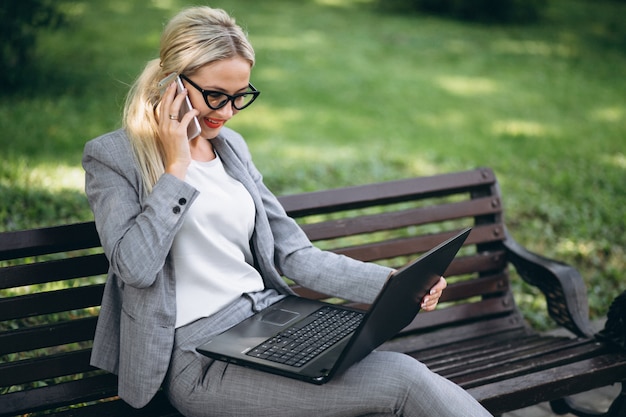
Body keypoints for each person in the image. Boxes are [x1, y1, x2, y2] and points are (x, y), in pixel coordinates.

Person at [82, 6, 493, 417]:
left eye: (239, 97)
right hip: (199, 360)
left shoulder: (231, 149)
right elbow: (134, 267)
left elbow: (294, 254)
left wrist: (396, 284)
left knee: (403, 375)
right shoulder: (115, 156)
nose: (226, 113)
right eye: (214, 96)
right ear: (171, 83)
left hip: (269, 324)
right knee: (403, 382)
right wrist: (175, 170)